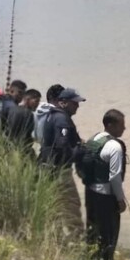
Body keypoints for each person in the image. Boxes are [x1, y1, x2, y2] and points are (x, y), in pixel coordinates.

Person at [79, 109, 127, 260]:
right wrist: (120, 200)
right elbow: (115, 176)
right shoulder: (114, 146)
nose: (124, 128)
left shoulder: (95, 139)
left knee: (92, 229)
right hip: (106, 197)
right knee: (109, 234)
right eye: (122, 125)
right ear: (111, 125)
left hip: (90, 192)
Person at [38, 87, 86, 231]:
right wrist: (80, 150)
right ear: (63, 102)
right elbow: (62, 149)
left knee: (55, 207)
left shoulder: (53, 115)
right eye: (75, 103)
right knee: (72, 207)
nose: (77, 106)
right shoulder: (61, 119)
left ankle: (56, 240)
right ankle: (76, 243)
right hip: (59, 171)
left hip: (48, 169)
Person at [5, 88, 41, 158]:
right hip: (22, 150)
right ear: (27, 99)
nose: (37, 104)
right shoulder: (28, 114)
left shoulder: (13, 109)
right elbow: (27, 134)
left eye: (38, 102)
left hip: (9, 148)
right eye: (36, 101)